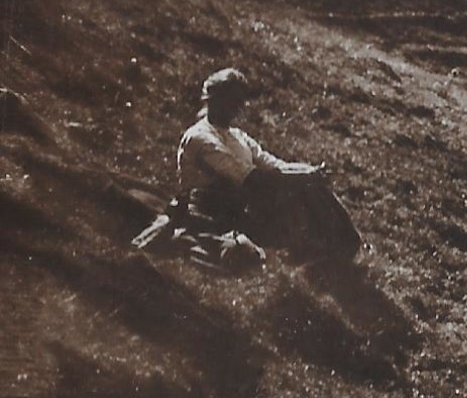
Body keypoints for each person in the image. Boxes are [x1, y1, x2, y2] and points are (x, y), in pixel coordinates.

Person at [145, 68, 361, 267]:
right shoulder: (200, 137)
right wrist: (304, 176)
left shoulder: (237, 136)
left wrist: (310, 172)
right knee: (302, 187)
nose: (237, 108)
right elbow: (246, 177)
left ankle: (341, 248)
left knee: (312, 187)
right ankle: (331, 251)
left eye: (239, 102)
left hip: (241, 204)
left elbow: (273, 164)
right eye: (232, 101)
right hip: (209, 212)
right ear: (213, 99)